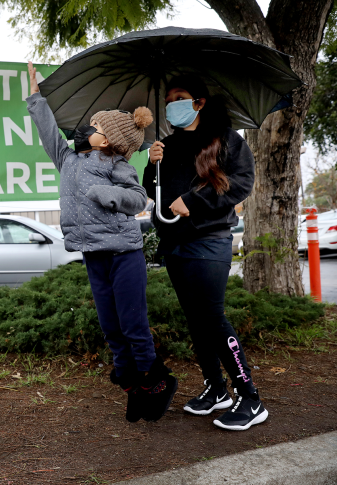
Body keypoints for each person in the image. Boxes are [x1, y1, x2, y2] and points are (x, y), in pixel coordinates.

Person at [27, 62, 177, 423]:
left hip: (124, 253)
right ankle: (132, 386)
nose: (85, 130)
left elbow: (138, 198)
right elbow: (49, 133)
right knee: (111, 327)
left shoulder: (115, 165)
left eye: (93, 127)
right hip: (93, 254)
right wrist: (36, 97)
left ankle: (157, 382)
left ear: (107, 140)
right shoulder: (68, 160)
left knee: (132, 324)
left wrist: (105, 193)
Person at [143, 75, 267, 431]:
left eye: (179, 97)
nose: (171, 104)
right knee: (195, 320)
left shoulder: (226, 139)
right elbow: (150, 191)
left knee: (212, 317)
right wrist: (153, 165)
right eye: (167, 99)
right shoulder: (166, 145)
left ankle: (250, 397)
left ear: (198, 103)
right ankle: (216, 388)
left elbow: (242, 182)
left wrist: (194, 202)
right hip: (175, 243)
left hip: (210, 240)